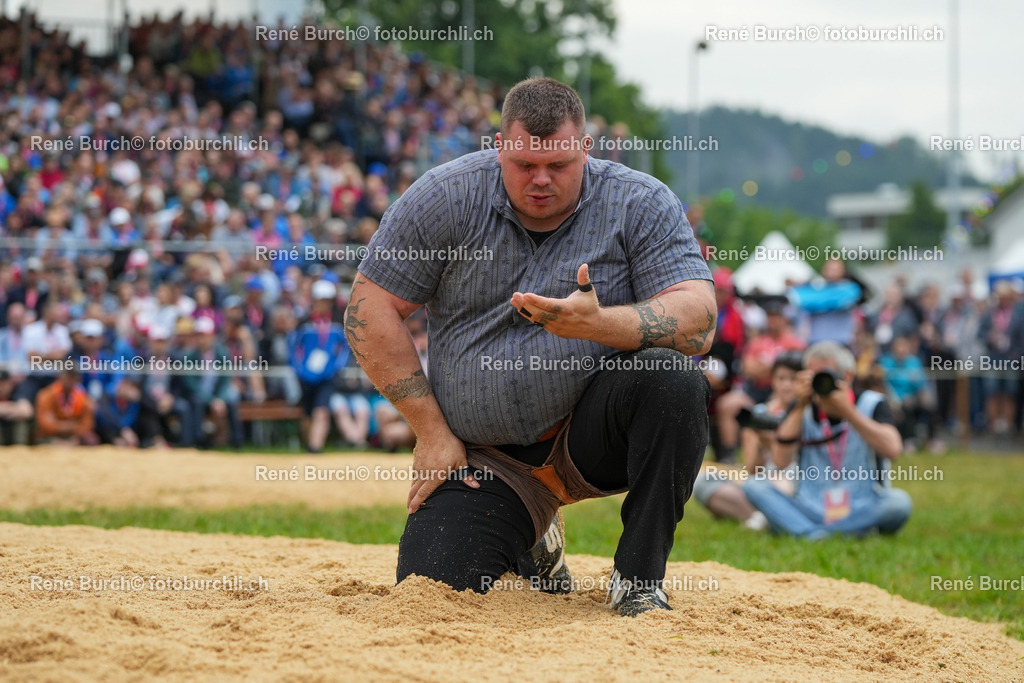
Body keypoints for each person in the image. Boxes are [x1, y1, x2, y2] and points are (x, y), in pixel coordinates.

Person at [346, 77, 715, 616]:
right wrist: (430, 431)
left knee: (674, 379)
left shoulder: (640, 200)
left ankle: (637, 579)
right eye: (524, 164)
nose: (541, 180)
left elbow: (699, 320)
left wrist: (598, 325)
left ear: (585, 150)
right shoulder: (443, 197)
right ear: (499, 147)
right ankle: (539, 542)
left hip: (592, 435)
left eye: (559, 165)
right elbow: (368, 309)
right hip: (490, 457)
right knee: (432, 589)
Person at [743, 342, 911, 539]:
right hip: (811, 505)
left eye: (826, 376)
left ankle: (808, 532)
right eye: (814, 378)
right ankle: (827, 533)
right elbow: (780, 461)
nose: (820, 384)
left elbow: (893, 449)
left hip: (861, 504)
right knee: (755, 486)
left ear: (847, 376)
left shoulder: (870, 403)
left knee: (899, 503)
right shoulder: (801, 407)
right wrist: (799, 406)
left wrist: (848, 412)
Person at [692, 352, 804, 529]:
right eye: (781, 378)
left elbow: (789, 463)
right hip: (760, 485)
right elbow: (751, 471)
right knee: (704, 482)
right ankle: (762, 517)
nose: (786, 385)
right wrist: (760, 441)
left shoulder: (807, 414)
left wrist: (775, 443)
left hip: (794, 483)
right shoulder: (758, 414)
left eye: (793, 379)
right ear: (772, 380)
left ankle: (762, 517)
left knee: (782, 481)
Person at [289, 279, 350, 453]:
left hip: (328, 375)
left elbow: (346, 348)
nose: (324, 304)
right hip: (306, 376)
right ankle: (308, 446)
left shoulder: (338, 322)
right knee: (307, 413)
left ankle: (316, 449)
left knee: (322, 411)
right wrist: (299, 369)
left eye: (327, 300)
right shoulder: (304, 322)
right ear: (314, 300)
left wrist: (337, 367)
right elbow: (293, 348)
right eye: (320, 300)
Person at [34, 363, 99, 445]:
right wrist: (66, 426)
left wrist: (73, 432)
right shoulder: (46, 395)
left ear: (78, 379)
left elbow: (87, 424)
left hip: (74, 437)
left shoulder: (83, 398)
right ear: (60, 376)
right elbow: (44, 424)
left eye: (73, 376)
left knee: (90, 439)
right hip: (51, 436)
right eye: (67, 376)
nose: (70, 380)